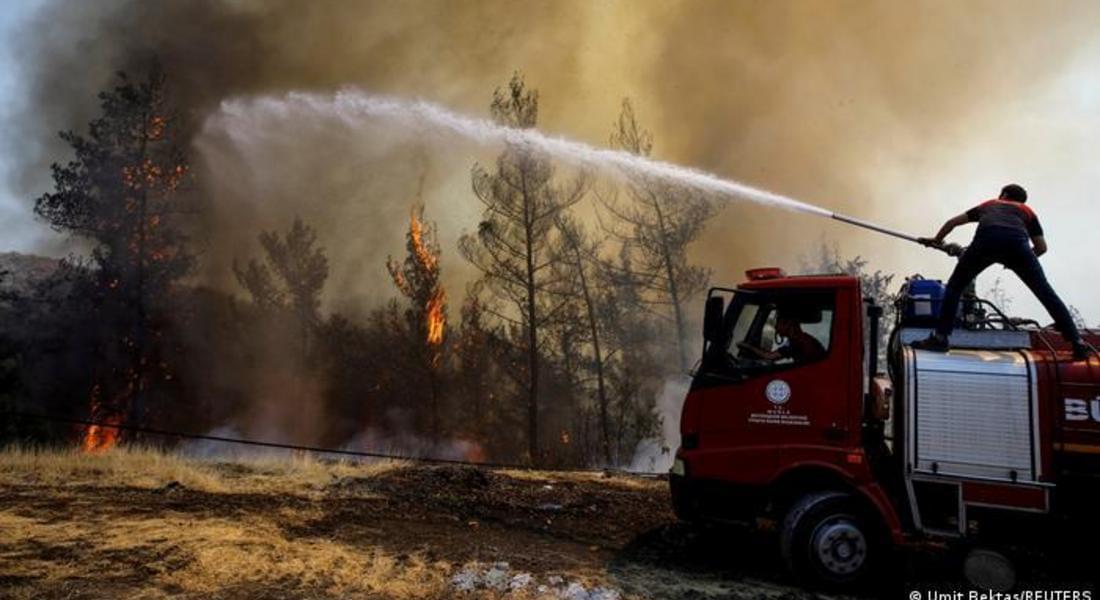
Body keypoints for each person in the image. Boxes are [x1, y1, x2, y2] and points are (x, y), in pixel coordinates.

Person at [912, 184, 1090, 360]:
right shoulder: (1028, 212)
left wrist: (936, 240)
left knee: (954, 288)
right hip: (1018, 248)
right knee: (1045, 292)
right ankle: (1077, 342)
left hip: (985, 244)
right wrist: (1019, 262)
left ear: (1003, 195)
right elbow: (1041, 248)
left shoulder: (990, 205)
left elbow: (953, 222)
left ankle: (940, 338)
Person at [738, 312, 827, 363]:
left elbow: (769, 356)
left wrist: (748, 347)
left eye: (779, 323)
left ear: (788, 324)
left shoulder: (798, 342)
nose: (776, 327)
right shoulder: (802, 339)